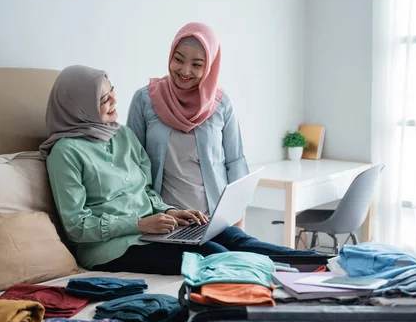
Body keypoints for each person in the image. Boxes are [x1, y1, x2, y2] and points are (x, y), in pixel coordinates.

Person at [42, 65, 318, 275]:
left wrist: (170, 211)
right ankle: (294, 284)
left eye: (111, 90)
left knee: (234, 238)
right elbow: (76, 227)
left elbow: (145, 191)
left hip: (153, 230)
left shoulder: (122, 135)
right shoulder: (65, 153)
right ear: (78, 106)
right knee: (215, 254)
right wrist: (140, 224)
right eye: (103, 99)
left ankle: (324, 266)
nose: (114, 100)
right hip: (113, 249)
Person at [127, 22, 248, 229]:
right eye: (178, 60)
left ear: (209, 66)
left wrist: (238, 226)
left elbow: (235, 163)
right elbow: (131, 166)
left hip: (215, 221)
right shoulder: (145, 100)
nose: (185, 71)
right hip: (165, 222)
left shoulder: (221, 103)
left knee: (257, 257)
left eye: (197, 65)